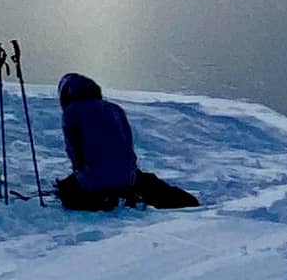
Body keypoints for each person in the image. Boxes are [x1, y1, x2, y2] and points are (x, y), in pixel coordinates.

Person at [52, 74, 197, 210]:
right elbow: (127, 144)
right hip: (129, 178)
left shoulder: (71, 113)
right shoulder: (116, 109)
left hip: (93, 180)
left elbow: (74, 152)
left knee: (66, 188)